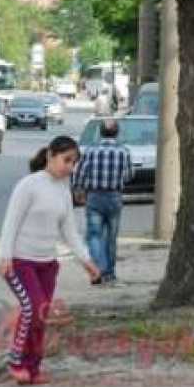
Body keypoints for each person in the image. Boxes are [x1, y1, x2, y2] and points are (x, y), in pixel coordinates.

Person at [0, 136, 101, 385]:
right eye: (66, 160)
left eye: (73, 162)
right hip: (21, 262)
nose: (69, 167)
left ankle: (33, 368)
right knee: (32, 308)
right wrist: (5, 257)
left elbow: (70, 232)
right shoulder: (28, 185)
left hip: (47, 265)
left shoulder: (64, 190)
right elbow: (11, 221)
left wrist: (87, 261)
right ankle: (16, 361)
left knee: (41, 314)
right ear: (50, 156)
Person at [71, 119, 133, 286]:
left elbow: (79, 173)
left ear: (100, 133)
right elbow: (128, 176)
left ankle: (99, 270)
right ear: (117, 133)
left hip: (94, 197)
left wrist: (78, 190)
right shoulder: (124, 152)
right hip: (114, 197)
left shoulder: (91, 151)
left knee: (94, 235)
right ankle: (110, 273)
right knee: (111, 238)